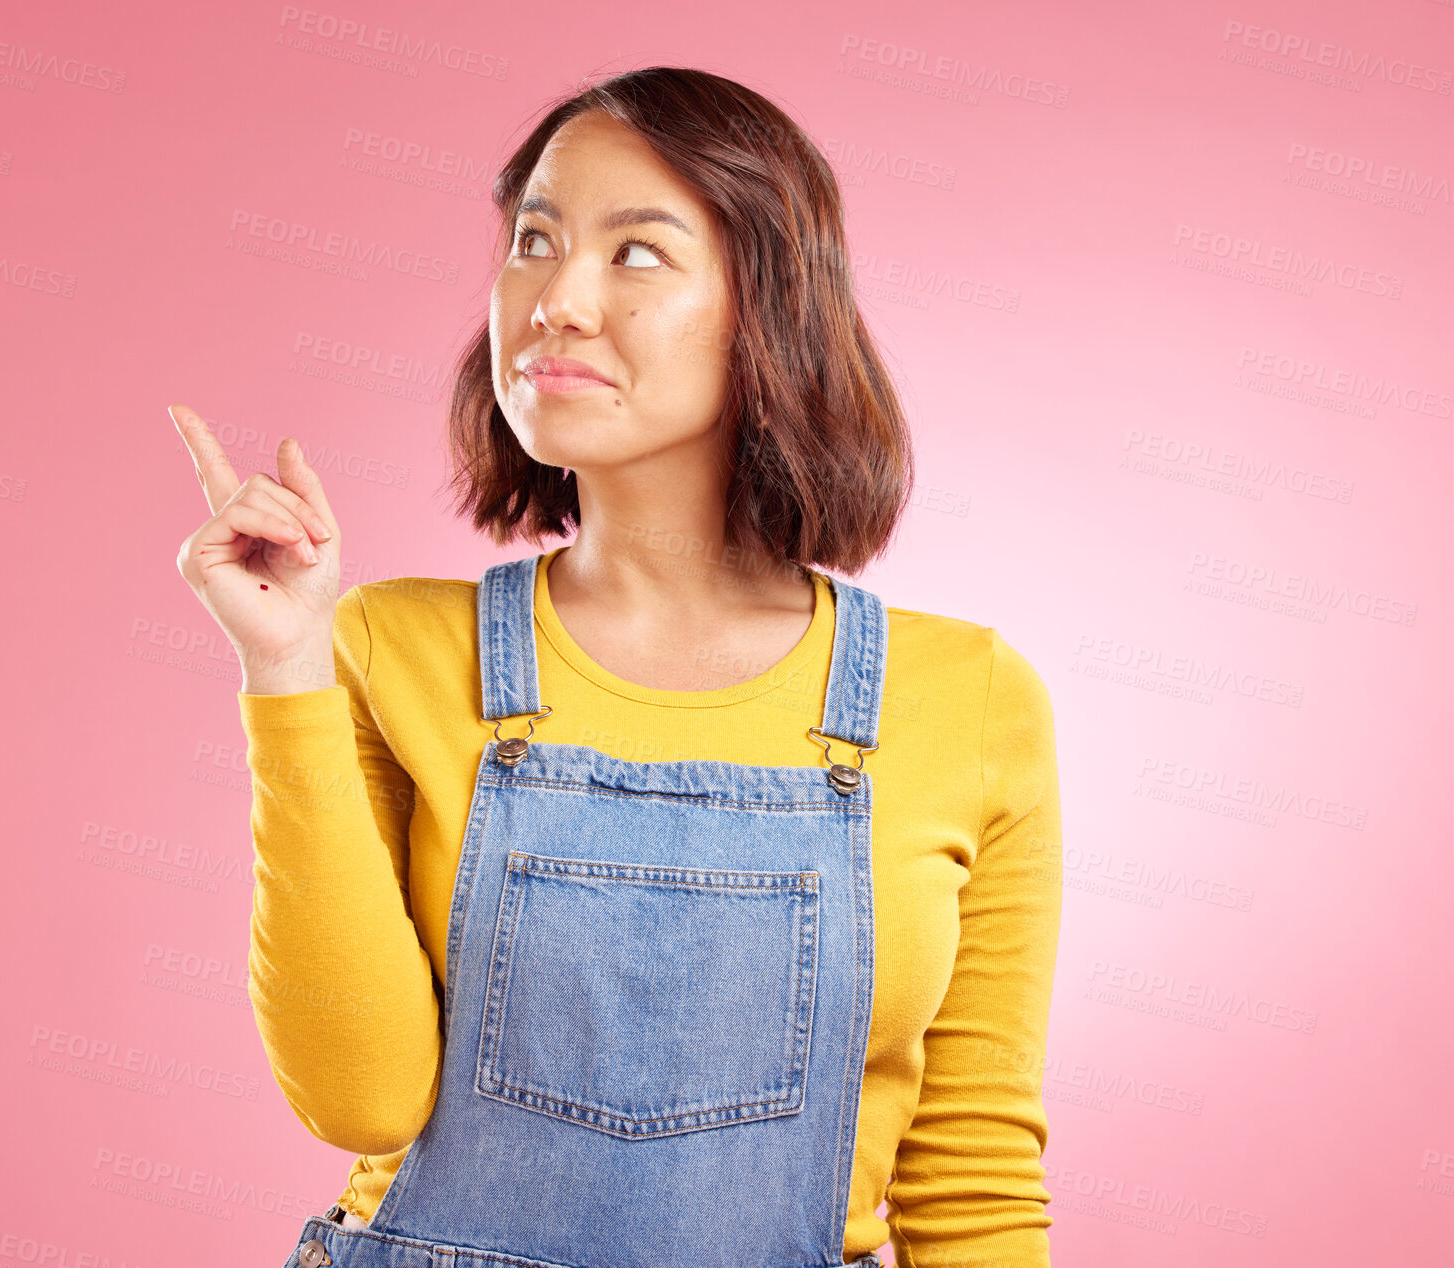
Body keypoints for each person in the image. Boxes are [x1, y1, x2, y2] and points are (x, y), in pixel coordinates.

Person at [172, 66, 1062, 1268]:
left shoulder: (967, 700)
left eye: (635, 254)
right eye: (533, 241)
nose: (557, 300)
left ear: (770, 306)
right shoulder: (390, 647)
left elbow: (971, 1175)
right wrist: (283, 670)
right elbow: (362, 1099)